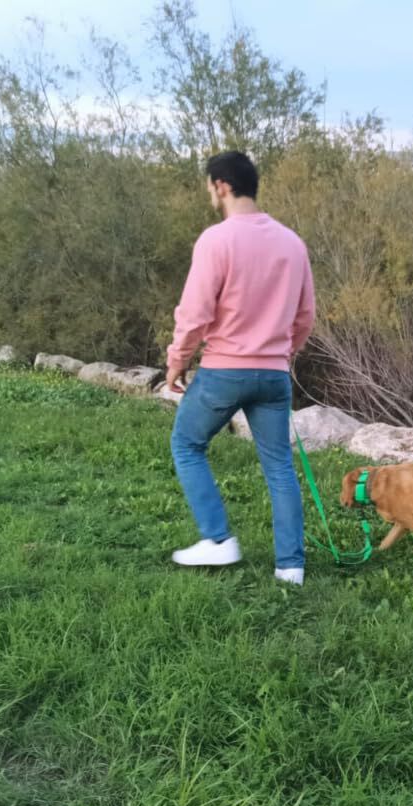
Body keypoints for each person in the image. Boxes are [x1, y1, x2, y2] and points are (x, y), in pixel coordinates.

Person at [165, 150, 315, 585]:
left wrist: (176, 363)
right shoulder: (292, 242)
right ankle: (291, 568)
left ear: (222, 185)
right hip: (273, 374)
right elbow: (305, 316)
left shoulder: (216, 239)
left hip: (224, 371)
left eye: (209, 186)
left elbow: (194, 314)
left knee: (186, 444)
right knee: (279, 467)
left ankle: (217, 540)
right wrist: (284, 353)